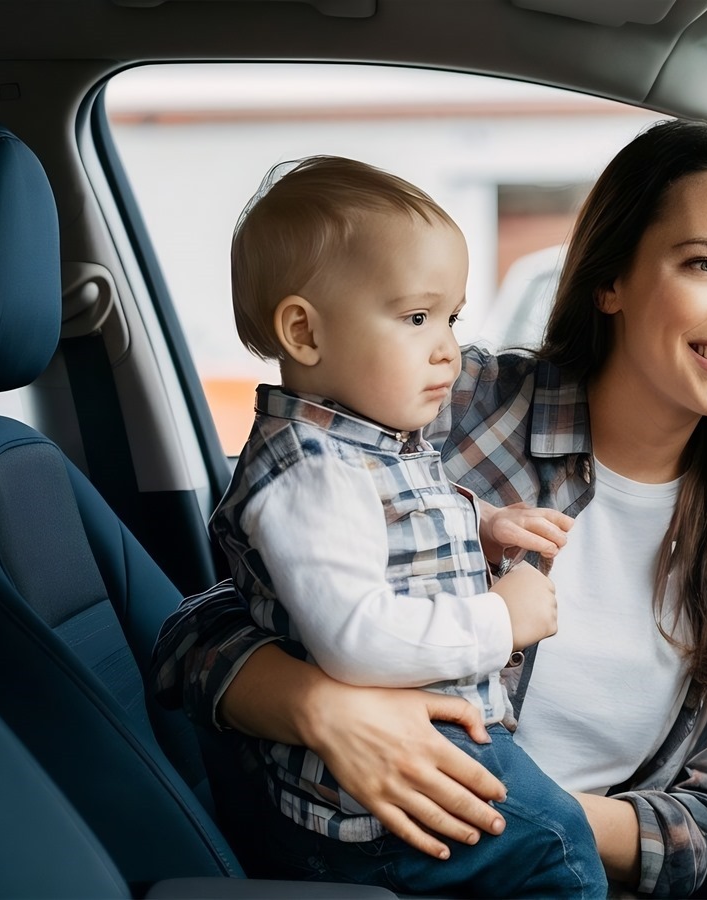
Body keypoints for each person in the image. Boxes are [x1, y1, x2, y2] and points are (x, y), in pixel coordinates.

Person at [154, 118, 707, 897]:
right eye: (706, 263)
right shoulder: (441, 401)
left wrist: (510, 813)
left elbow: (701, 829)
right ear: (611, 281)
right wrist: (323, 712)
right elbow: (195, 635)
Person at [209, 155, 604, 897]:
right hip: (379, 798)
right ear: (305, 332)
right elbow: (356, 638)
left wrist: (483, 525)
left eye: (452, 317)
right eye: (418, 317)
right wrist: (500, 619)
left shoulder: (365, 438)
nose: (449, 346)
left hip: (402, 771)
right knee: (559, 851)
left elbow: (398, 512)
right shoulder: (314, 472)